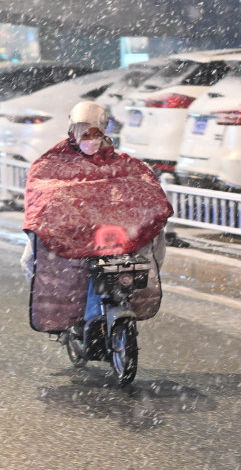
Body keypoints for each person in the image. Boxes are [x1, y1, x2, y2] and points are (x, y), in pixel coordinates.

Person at [21, 101, 173, 353]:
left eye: (94, 133)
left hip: (112, 234)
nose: (89, 139)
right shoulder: (52, 163)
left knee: (154, 244)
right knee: (31, 260)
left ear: (103, 131)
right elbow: (43, 194)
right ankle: (64, 316)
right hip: (72, 233)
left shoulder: (124, 164)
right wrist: (62, 214)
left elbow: (141, 187)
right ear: (72, 130)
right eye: (84, 132)